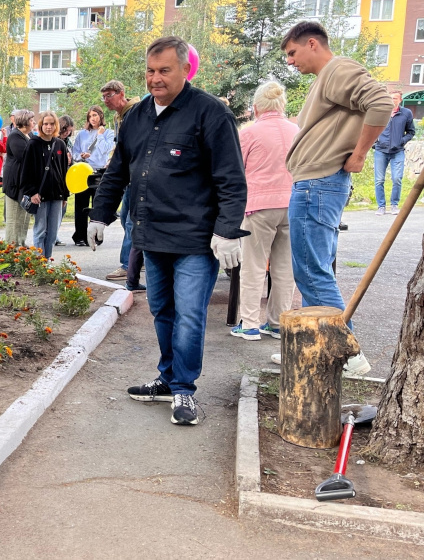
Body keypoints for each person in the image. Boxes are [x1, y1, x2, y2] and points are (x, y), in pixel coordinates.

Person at [88, 36, 248, 426]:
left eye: (164, 70)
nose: (155, 78)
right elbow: (118, 171)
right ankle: (168, 378)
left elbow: (231, 179)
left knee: (190, 315)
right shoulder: (137, 116)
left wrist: (228, 230)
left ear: (185, 70)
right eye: (150, 71)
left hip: (195, 240)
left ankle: (184, 389)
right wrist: (99, 215)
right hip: (152, 235)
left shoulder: (211, 114)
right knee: (162, 311)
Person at [275, 21, 390, 374]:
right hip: (317, 183)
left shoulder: (338, 69)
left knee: (312, 272)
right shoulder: (327, 78)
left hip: (318, 184)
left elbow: (381, 102)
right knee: (312, 270)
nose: (290, 61)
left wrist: (360, 154)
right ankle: (322, 347)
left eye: (292, 52)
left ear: (313, 43)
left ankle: (347, 354)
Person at [230, 81, 300, 340]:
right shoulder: (297, 131)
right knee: (284, 268)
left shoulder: (249, 133)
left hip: (259, 206)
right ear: (282, 105)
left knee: (254, 266)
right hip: (292, 204)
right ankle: (278, 323)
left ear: (256, 107)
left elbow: (237, 170)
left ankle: (249, 323)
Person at [100, 80, 140, 281]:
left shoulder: (136, 112)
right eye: (103, 97)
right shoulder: (118, 116)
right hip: (127, 176)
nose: (106, 100)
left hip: (137, 176)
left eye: (109, 95)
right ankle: (137, 258)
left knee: (132, 221)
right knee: (125, 218)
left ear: (121, 93)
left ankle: (128, 265)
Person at [20, 112, 69, 259]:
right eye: (46, 124)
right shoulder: (33, 144)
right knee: (41, 230)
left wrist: (65, 194)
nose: (49, 127)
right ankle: (39, 262)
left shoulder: (60, 144)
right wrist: (32, 192)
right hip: (39, 195)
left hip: (57, 194)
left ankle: (47, 260)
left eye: (52, 124)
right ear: (41, 125)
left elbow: (64, 171)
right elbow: (26, 171)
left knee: (53, 232)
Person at [71, 106, 115, 246]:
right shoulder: (82, 134)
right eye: (90, 116)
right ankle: (80, 236)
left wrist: (100, 135)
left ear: (101, 116)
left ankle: (95, 236)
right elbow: (74, 152)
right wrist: (81, 156)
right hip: (84, 171)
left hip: (99, 172)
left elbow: (105, 150)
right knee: (81, 205)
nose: (93, 118)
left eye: (95, 115)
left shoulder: (108, 133)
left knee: (98, 205)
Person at [373, 90, 415, 216]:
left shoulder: (406, 113)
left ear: (400, 100)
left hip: (398, 151)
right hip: (381, 151)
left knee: (397, 179)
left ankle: (394, 205)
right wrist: (375, 143)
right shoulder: (381, 112)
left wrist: (401, 141)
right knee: (379, 180)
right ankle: (381, 206)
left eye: (395, 98)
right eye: (390, 98)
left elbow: (411, 132)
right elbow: (371, 128)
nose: (392, 100)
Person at [3, 110, 35, 245]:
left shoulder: (29, 135)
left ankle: (21, 242)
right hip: (14, 182)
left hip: (25, 181)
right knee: (14, 216)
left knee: (24, 215)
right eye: (32, 120)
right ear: (25, 121)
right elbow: (25, 157)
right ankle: (12, 245)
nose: (34, 122)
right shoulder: (15, 136)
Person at [55, 115, 75, 247]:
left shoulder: (68, 142)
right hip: (56, 176)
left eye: (69, 131)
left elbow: (72, 159)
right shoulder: (54, 140)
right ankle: (51, 234)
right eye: (65, 130)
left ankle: (55, 233)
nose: (67, 133)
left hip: (65, 177)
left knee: (63, 207)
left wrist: (71, 161)